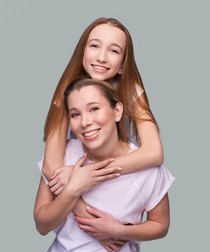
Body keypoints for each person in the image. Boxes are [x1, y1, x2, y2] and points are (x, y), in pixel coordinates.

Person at [34, 78, 174, 252]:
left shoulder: (147, 169)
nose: (85, 122)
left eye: (94, 109)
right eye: (75, 114)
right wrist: (73, 188)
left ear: (117, 111)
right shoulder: (63, 156)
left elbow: (160, 224)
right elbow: (42, 225)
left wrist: (120, 230)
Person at [42, 17, 164, 196]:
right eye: (94, 46)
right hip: (78, 177)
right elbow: (50, 165)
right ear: (82, 52)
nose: (101, 57)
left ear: (122, 65)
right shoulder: (67, 89)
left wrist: (89, 174)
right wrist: (78, 192)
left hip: (125, 177)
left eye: (114, 51)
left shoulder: (131, 89)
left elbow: (154, 152)